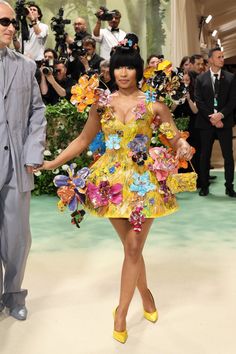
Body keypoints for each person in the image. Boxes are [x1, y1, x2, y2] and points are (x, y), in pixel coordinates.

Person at [38, 45, 192, 343]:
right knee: (131, 248)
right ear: (111, 71)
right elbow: (83, 139)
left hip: (143, 184)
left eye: (129, 67)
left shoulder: (154, 105)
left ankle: (121, 312)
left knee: (133, 248)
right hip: (110, 185)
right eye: (118, 67)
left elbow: (174, 139)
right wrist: (51, 163)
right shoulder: (102, 104)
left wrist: (182, 147)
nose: (123, 72)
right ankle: (145, 293)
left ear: (138, 70)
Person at [0, 1, 46, 320]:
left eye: (13, 22)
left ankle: (14, 294)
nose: (11, 27)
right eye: (4, 21)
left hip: (16, 162)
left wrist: (33, 152)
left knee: (17, 236)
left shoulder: (26, 66)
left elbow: (37, 112)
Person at [195, 47, 236, 197]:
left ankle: (229, 186)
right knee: (205, 155)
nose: (222, 59)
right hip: (206, 123)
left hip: (224, 123)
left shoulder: (230, 78)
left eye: (223, 56)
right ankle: (204, 186)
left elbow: (233, 101)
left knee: (228, 156)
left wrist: (220, 115)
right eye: (219, 57)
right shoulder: (201, 79)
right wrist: (212, 117)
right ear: (211, 59)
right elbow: (199, 101)